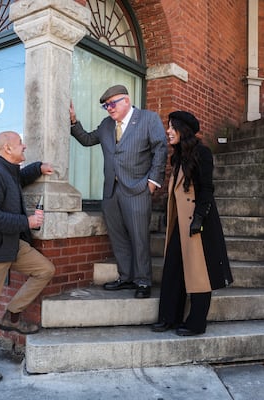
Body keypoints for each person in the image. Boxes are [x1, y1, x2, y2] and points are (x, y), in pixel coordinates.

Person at [0, 131, 55, 383]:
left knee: (45, 269)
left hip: (12, 246)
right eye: (20, 143)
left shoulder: (8, 170)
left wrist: (39, 167)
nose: (24, 145)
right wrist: (27, 220)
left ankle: (12, 315)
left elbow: (22, 176)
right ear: (7, 148)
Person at [69, 85, 168, 299]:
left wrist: (152, 182)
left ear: (126, 100)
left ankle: (143, 281)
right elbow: (87, 139)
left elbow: (160, 148)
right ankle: (126, 277)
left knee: (139, 237)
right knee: (118, 237)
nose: (109, 109)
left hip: (138, 190)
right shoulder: (106, 125)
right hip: (111, 192)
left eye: (112, 104)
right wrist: (73, 122)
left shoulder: (148, 119)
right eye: (106, 106)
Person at [151, 111, 233, 336]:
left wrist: (199, 219)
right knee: (173, 268)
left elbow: (206, 189)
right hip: (180, 221)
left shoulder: (203, 153)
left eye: (171, 127)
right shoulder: (177, 156)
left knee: (199, 273)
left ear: (183, 129)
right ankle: (169, 317)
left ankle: (197, 323)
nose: (168, 131)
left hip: (198, 221)